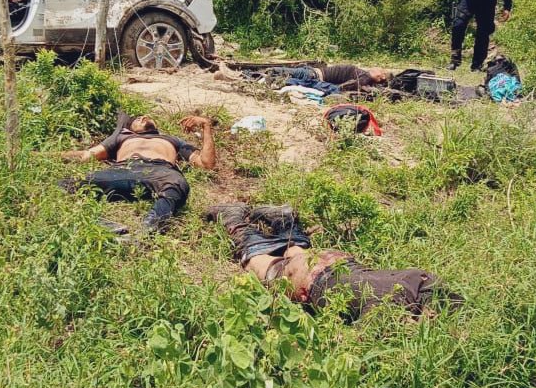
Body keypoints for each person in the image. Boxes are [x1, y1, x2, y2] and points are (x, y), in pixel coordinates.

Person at [205, 204, 462, 321]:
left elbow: (445, 296)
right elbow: (379, 334)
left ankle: (284, 220)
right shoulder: (387, 306)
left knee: (297, 252)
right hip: (313, 279)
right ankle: (235, 218)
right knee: (258, 262)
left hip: (340, 263)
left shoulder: (418, 280)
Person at [59, 112, 216, 233]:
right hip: (123, 171)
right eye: (138, 118)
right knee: (65, 184)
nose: (144, 118)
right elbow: (87, 155)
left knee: (177, 183)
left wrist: (206, 126)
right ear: (129, 128)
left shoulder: (172, 140)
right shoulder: (122, 138)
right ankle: (98, 224)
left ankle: (149, 228)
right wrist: (42, 155)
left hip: (161, 171)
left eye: (146, 117)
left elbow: (206, 164)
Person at [265, 64, 392, 92]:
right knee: (280, 72)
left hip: (313, 74)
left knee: (280, 72)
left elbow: (349, 86)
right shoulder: (361, 74)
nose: (377, 69)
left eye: (380, 72)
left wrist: (377, 78)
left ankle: (268, 75)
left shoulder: (364, 77)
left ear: (380, 77)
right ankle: (267, 75)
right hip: (313, 74)